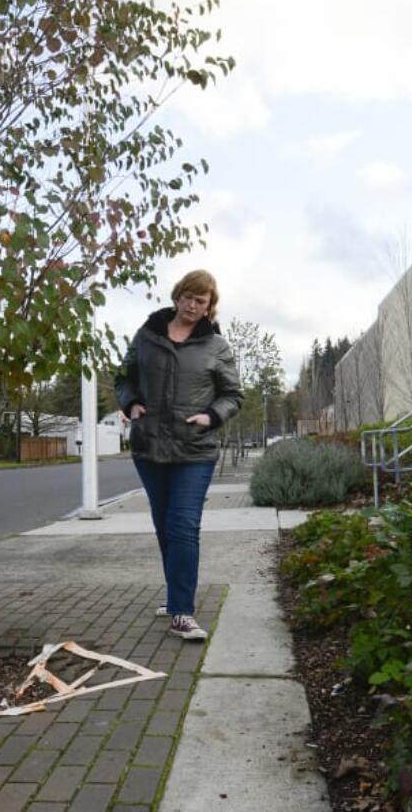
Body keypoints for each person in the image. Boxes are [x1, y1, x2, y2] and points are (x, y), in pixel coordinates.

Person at [114, 269, 243, 641]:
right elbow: (124, 376)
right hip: (149, 448)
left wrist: (212, 415)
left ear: (209, 307)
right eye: (187, 296)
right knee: (164, 525)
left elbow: (233, 395)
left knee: (184, 526)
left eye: (200, 301)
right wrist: (131, 403)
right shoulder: (147, 335)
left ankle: (182, 613)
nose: (192, 305)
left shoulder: (216, 346)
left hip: (194, 449)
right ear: (177, 296)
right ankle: (175, 597)